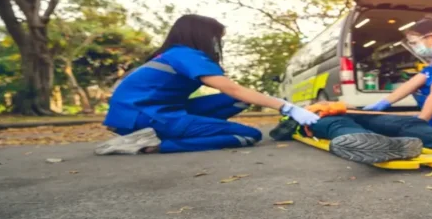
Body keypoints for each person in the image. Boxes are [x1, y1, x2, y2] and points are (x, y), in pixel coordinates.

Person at [95, 14, 319, 155]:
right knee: (248, 135)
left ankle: (190, 129)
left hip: (144, 112)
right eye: (217, 38)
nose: (218, 43)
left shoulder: (174, 54)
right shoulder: (186, 55)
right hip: (146, 117)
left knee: (237, 100)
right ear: (203, 36)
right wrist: (286, 107)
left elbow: (235, 94)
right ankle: (151, 144)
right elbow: (232, 88)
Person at [304, 18, 432, 163]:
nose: (414, 47)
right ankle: (382, 141)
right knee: (373, 117)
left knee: (393, 124)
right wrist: (381, 104)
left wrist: (420, 121)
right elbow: (412, 84)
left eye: (414, 42)